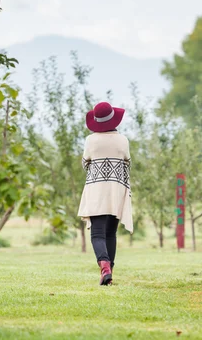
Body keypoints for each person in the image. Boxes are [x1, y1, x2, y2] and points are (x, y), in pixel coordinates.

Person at [78, 101, 133, 286]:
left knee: (97, 234)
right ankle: (109, 273)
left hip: (97, 190)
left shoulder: (90, 140)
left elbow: (85, 163)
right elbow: (127, 162)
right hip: (117, 190)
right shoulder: (123, 140)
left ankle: (105, 268)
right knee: (111, 233)